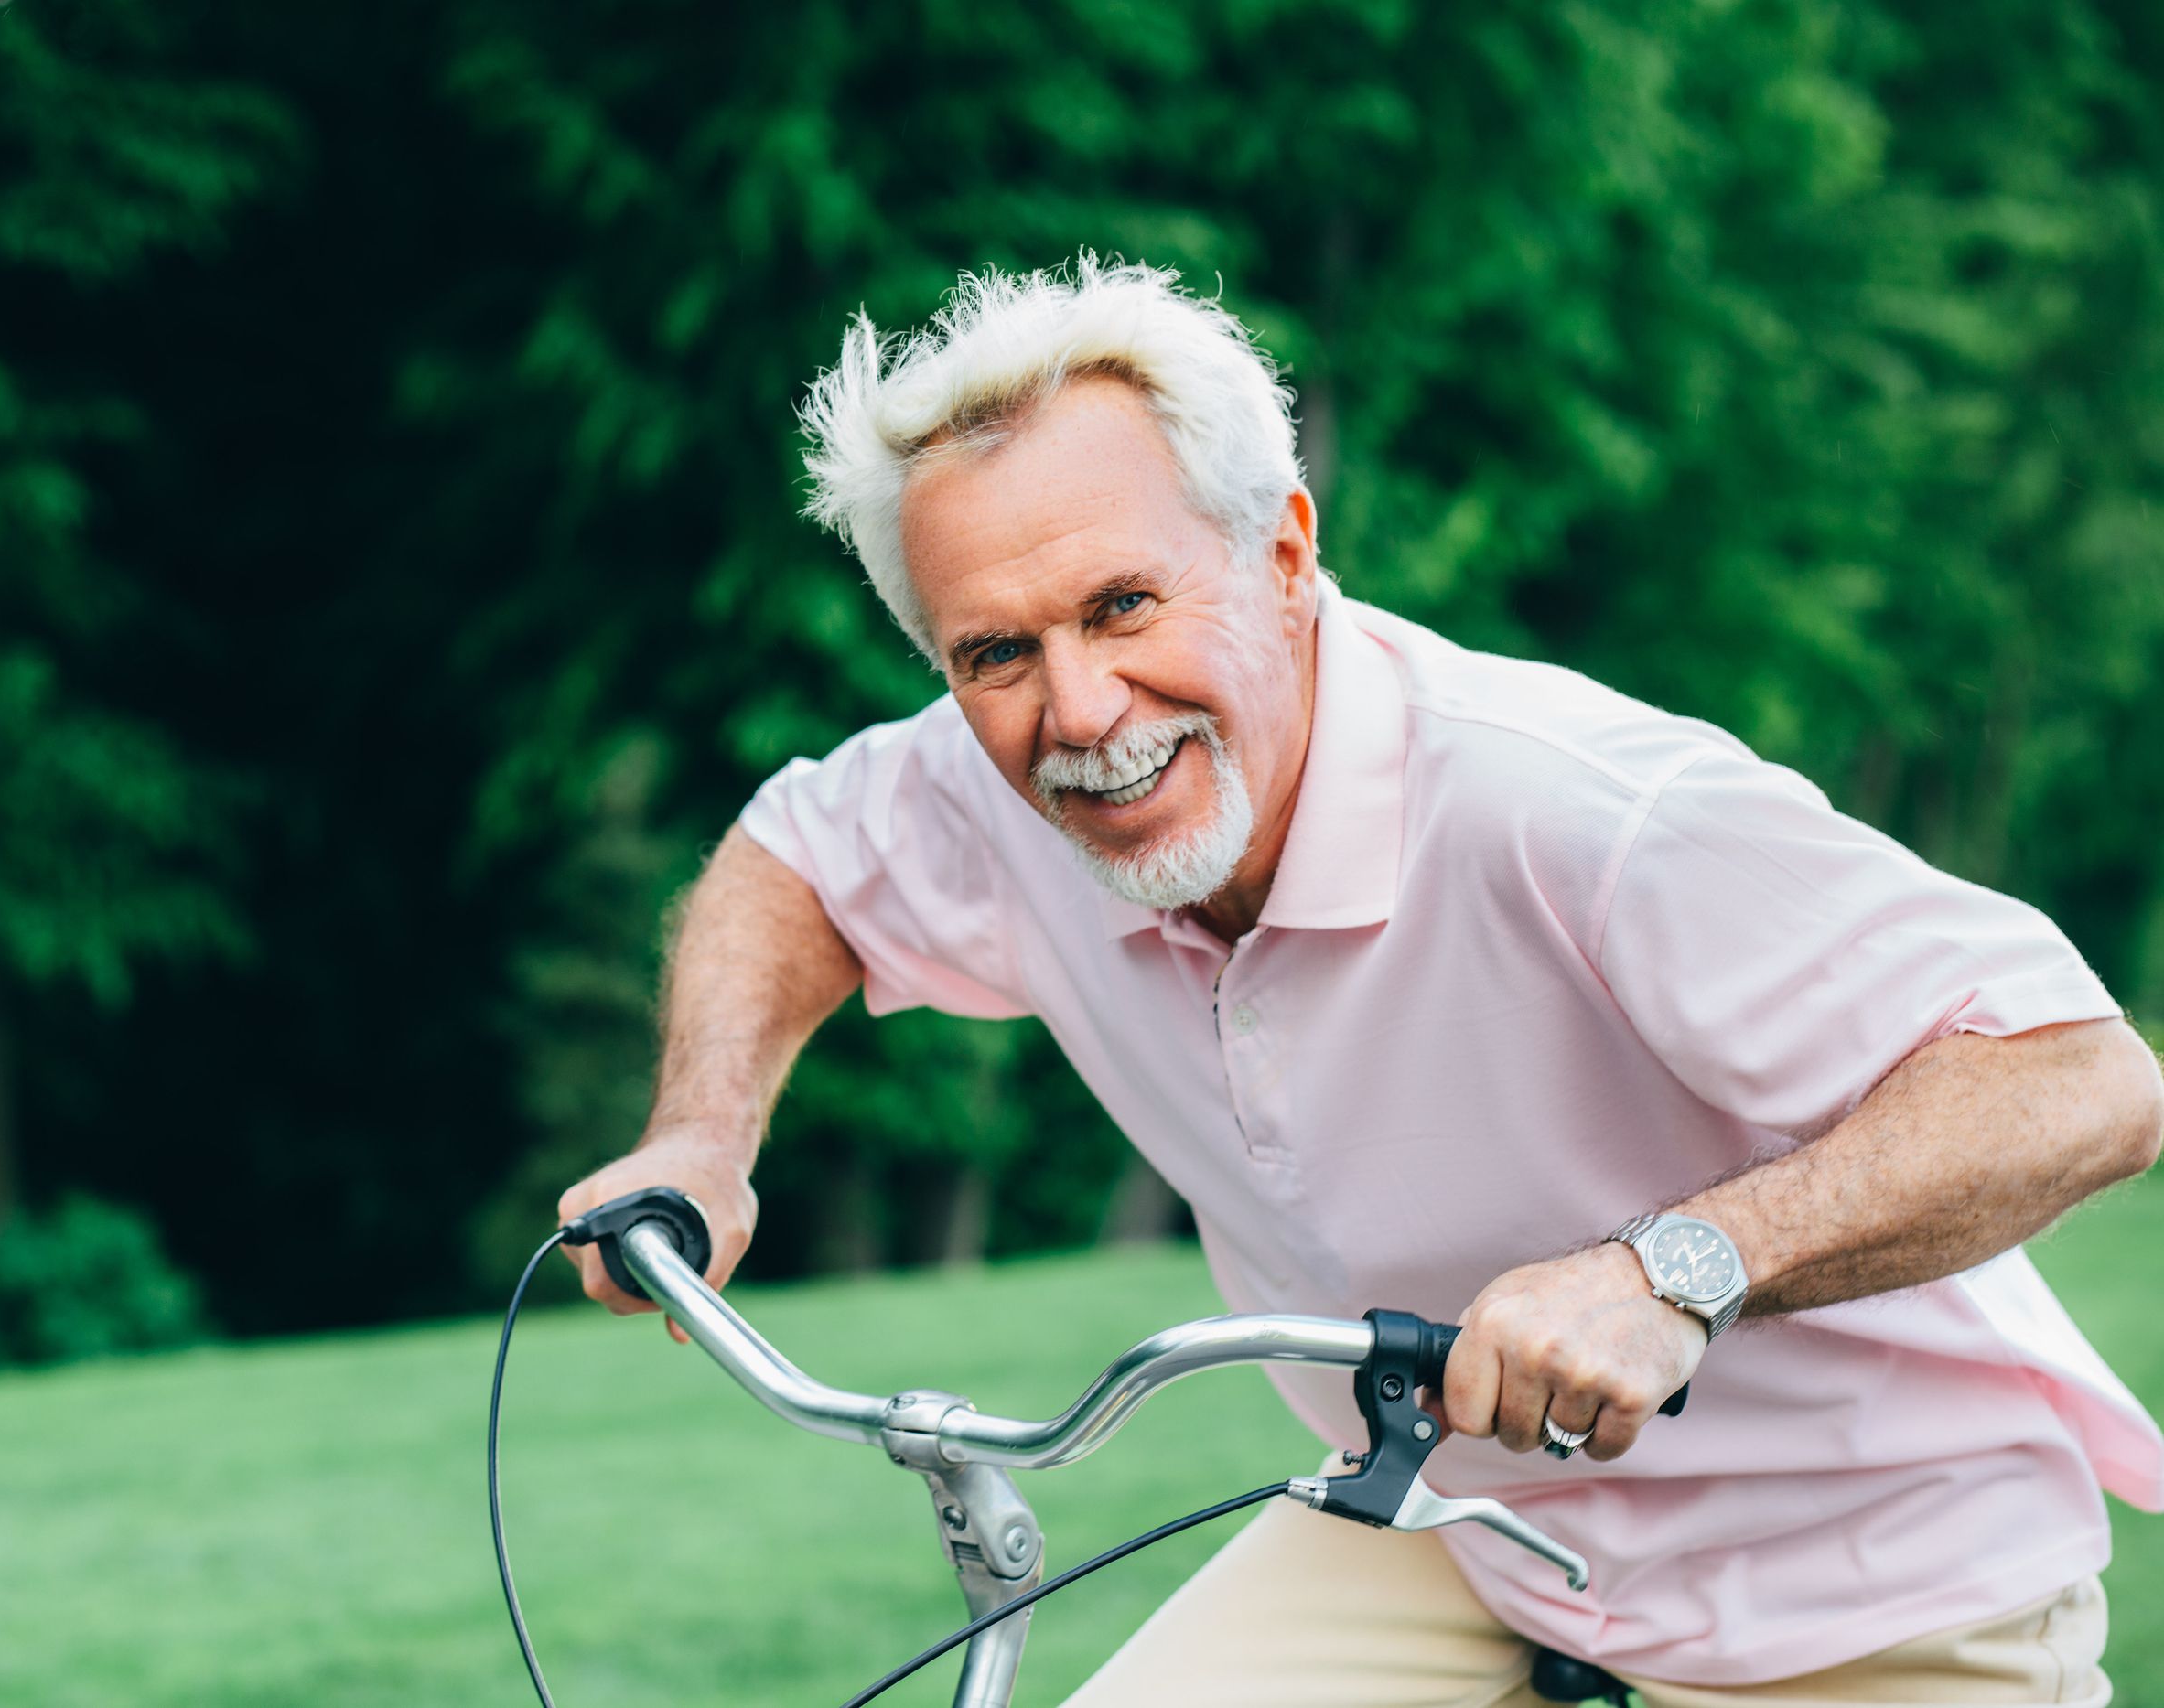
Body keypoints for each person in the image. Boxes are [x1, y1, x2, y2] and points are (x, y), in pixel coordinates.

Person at [556, 256, 2164, 1703]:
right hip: (1455, 1524)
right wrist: (703, 1133)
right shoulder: (1010, 785)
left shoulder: (1578, 808)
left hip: (1868, 1591)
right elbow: (795, 859)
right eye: (994, 653)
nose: (1084, 708)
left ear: (1283, 551)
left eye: (1126, 604)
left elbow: (2080, 1076)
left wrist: (1674, 1270)